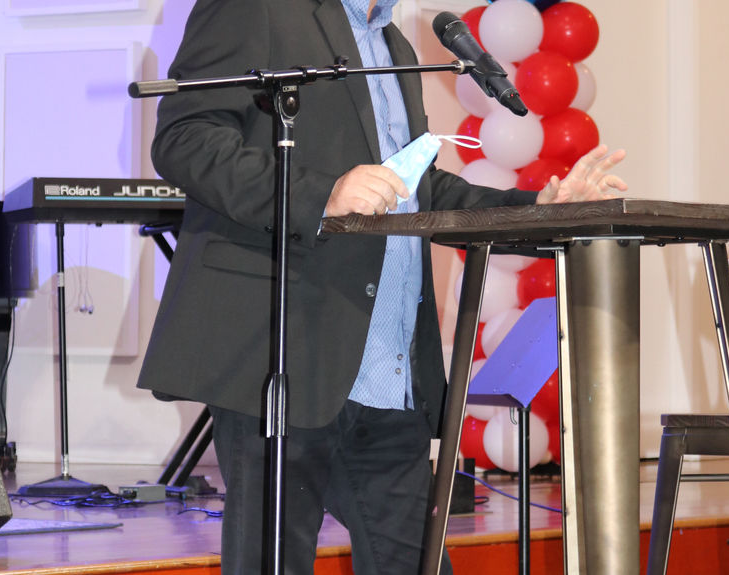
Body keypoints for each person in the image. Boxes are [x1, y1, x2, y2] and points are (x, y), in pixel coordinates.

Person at [137, 0, 627, 573]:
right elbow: (184, 138)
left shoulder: (395, 45)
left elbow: (417, 188)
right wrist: (321, 195)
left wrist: (538, 210)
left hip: (388, 371)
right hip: (286, 352)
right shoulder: (257, 8)